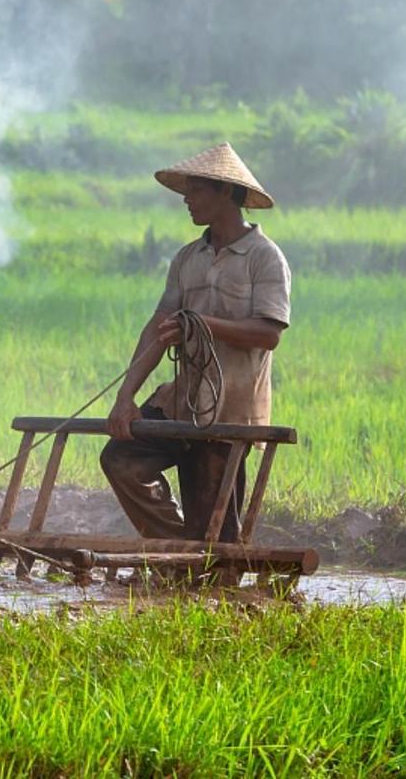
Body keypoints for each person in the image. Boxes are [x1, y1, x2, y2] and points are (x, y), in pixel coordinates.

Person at [100, 143, 291, 544]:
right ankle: (176, 546)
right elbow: (159, 327)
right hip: (181, 400)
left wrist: (203, 324)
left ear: (225, 192)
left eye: (196, 191)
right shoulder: (188, 258)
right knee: (121, 459)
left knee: (217, 529)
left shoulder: (264, 257)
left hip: (229, 411)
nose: (187, 200)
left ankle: (211, 572)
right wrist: (125, 395)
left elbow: (269, 334)